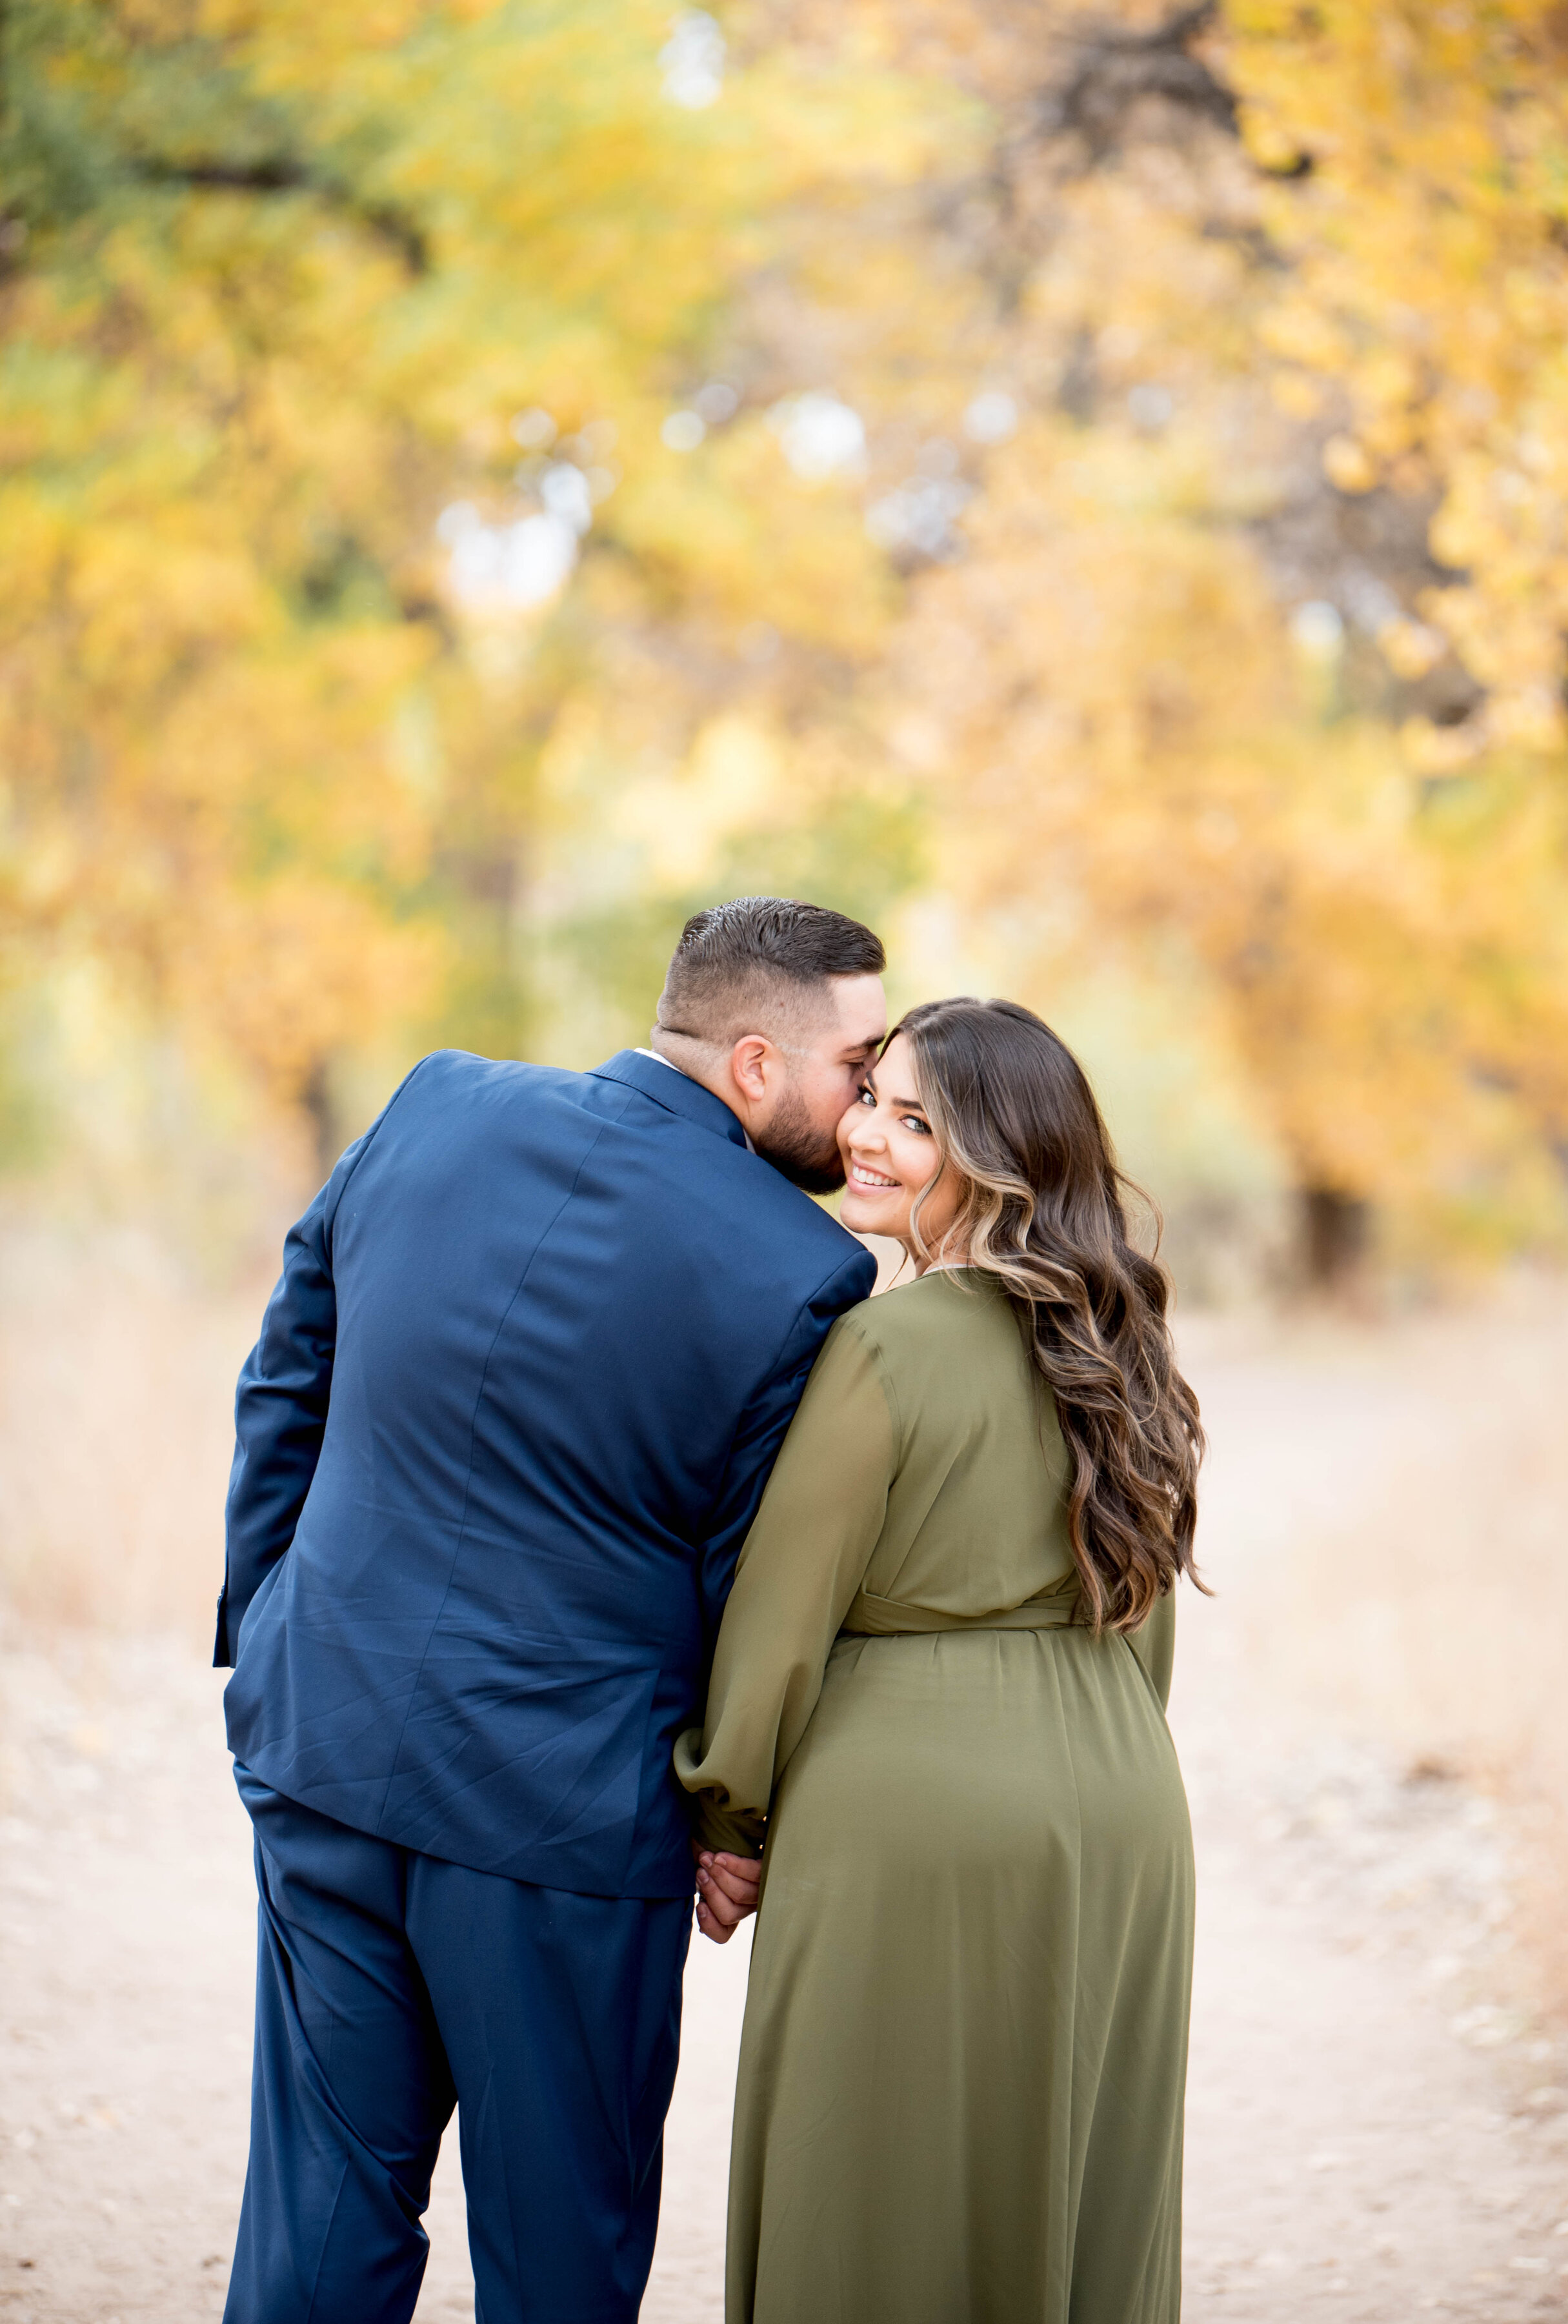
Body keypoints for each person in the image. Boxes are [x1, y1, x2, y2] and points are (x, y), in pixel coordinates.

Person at [214, 897, 888, 2324]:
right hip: (561, 1821)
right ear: (756, 1065)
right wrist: (725, 1811)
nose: (872, 1102)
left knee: (320, 2218)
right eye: (858, 1063)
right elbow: (744, 1576)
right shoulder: (802, 1270)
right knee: (558, 2261)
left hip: (323, 1737)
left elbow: (287, 1369)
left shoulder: (436, 1102)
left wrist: (269, 1624)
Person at [679, 996, 1205, 2324]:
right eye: (872, 1100)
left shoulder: (879, 1345)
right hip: (1122, 1804)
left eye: (916, 1122)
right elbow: (1143, 1621)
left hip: (909, 1819)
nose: (863, 1136)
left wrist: (727, 1809)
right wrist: (1092, 1745)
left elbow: (782, 1615)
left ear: (999, 1159)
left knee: (867, 2197)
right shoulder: (1119, 1341)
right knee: (1074, 2173)